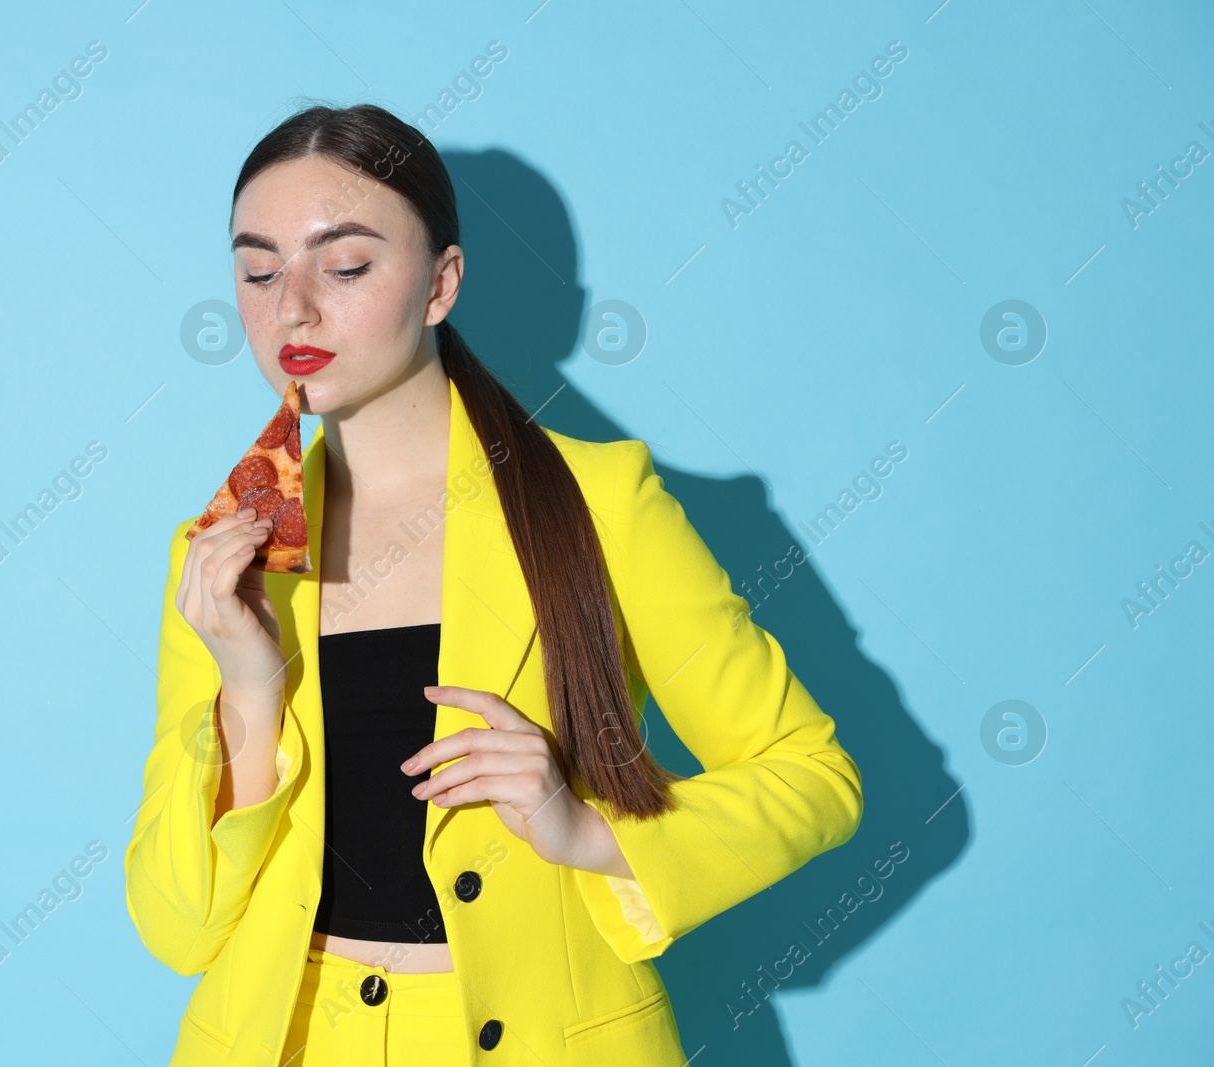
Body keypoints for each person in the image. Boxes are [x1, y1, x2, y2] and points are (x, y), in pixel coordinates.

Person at [124, 102, 863, 1066]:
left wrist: (590, 830)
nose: (293, 308)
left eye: (344, 266)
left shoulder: (601, 502)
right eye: (259, 270)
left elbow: (814, 775)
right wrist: (249, 699)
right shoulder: (226, 551)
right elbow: (177, 925)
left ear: (442, 283)